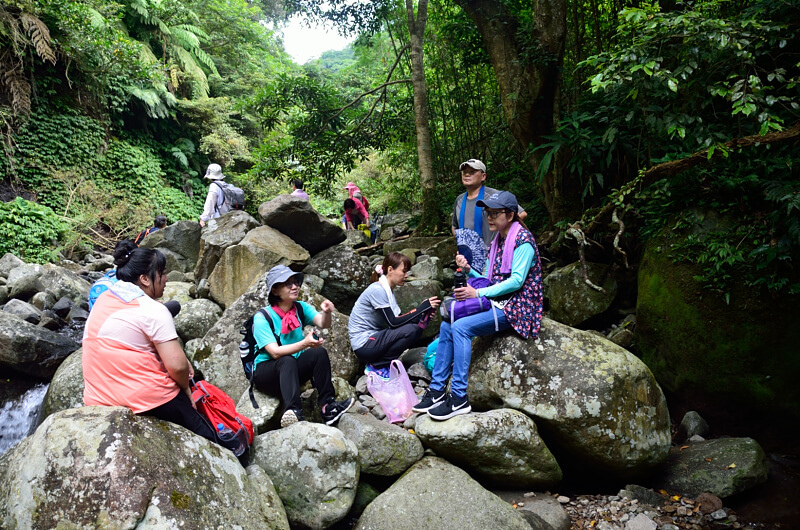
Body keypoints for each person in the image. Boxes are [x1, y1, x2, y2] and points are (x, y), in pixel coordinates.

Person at [415, 191, 543, 421]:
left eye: (494, 213)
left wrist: (477, 293)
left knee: (461, 327)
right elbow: (488, 278)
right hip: (498, 300)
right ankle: (436, 390)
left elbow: (516, 281)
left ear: (510, 215)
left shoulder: (523, 240)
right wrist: (468, 270)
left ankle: (459, 397)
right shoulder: (498, 240)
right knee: (447, 325)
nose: (489, 218)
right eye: (487, 213)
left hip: (517, 307)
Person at [82, 247, 227, 451]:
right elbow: (177, 366)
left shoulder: (104, 299)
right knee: (208, 437)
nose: (166, 279)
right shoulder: (152, 310)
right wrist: (186, 389)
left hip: (97, 398)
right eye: (162, 273)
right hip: (144, 398)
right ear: (144, 279)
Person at [252, 265, 354, 427]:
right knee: (287, 360)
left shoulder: (300, 308)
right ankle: (293, 411)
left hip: (290, 372)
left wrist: (327, 312)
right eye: (288, 284)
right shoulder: (262, 318)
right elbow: (275, 352)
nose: (295, 287)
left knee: (318, 353)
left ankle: (328, 407)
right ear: (275, 291)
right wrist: (305, 343)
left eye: (296, 282)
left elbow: (323, 323)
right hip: (267, 374)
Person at [349, 252, 441, 378]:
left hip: (373, 341)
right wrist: (420, 309)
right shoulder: (377, 290)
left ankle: (381, 364)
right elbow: (393, 322)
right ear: (390, 270)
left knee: (416, 328)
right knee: (411, 330)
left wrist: (423, 316)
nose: (406, 275)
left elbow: (401, 320)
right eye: (404, 271)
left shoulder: (388, 291)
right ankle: (377, 366)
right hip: (364, 345)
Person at [89, 240, 180, 316]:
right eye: (162, 274)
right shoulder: (134, 290)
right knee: (173, 306)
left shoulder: (111, 281)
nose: (166, 278)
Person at [452, 159, 527, 248]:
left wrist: (500, 236)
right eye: (464, 172)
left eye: (472, 172)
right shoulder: (459, 199)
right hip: (467, 253)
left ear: (483, 176)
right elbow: (454, 226)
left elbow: (522, 214)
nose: (467, 175)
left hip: (493, 251)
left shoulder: (494, 195)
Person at [199, 163, 225, 227]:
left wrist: (203, 219)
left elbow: (210, 203)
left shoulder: (214, 186)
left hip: (218, 219)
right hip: (228, 218)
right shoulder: (225, 185)